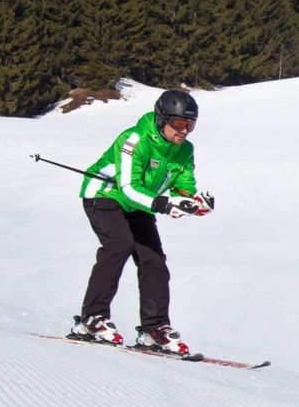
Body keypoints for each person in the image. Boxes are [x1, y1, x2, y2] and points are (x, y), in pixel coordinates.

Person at [71, 90, 214, 354]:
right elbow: (127, 186)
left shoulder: (185, 150)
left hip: (140, 204)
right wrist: (161, 203)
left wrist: (192, 203)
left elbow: (183, 186)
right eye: (179, 124)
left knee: (154, 259)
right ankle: (92, 319)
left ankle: (154, 329)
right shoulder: (134, 140)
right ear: (161, 120)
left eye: (190, 125)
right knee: (119, 245)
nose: (184, 131)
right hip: (104, 195)